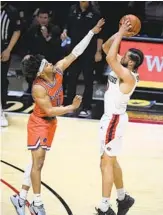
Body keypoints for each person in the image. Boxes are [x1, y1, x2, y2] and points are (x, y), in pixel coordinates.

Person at [10, 18, 105, 215]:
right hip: (38, 123)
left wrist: (92, 32)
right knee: (38, 164)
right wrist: (72, 107)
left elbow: (75, 52)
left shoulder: (58, 70)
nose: (50, 63)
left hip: (50, 124)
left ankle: (20, 198)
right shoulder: (38, 88)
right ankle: (36, 203)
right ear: (40, 72)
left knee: (37, 162)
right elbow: (50, 110)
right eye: (46, 64)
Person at [96, 19, 144, 215]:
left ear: (131, 62)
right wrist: (119, 33)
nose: (121, 55)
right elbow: (108, 48)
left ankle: (104, 206)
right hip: (110, 120)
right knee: (109, 161)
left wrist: (122, 32)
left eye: (126, 56)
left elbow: (109, 58)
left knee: (106, 163)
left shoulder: (129, 76)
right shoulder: (122, 68)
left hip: (114, 121)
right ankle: (123, 198)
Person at [61, 1, 103, 118]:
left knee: (88, 80)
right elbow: (67, 25)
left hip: (89, 51)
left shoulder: (96, 13)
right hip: (74, 50)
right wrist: (64, 32)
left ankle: (86, 107)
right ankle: (70, 105)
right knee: (71, 78)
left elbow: (100, 35)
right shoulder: (72, 9)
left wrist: (98, 51)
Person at [1, 2, 21, 127]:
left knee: (1, 79)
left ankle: (1, 110)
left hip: (3, 47)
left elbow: (17, 31)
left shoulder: (11, 10)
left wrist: (8, 49)